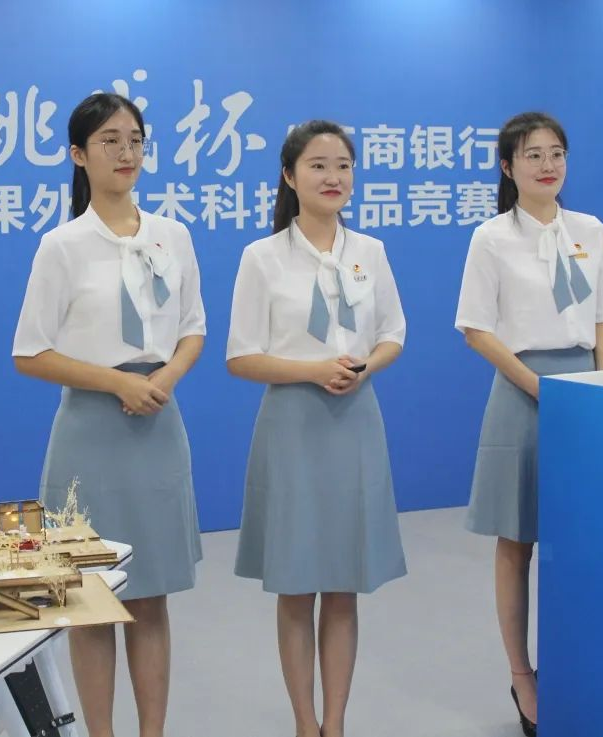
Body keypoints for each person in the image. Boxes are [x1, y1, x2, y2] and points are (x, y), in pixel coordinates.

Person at [12, 92, 206, 737]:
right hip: (90, 436)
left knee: (150, 598)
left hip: (157, 425)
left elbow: (193, 329)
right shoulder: (62, 246)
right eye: (109, 142)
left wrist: (163, 378)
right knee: (92, 602)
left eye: (135, 141)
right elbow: (30, 352)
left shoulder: (172, 235)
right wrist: (116, 382)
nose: (126, 153)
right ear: (78, 155)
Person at [226, 120, 407, 737]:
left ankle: (336, 723)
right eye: (318, 166)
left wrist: (364, 369)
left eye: (343, 166)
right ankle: (305, 723)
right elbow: (241, 356)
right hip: (293, 427)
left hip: (355, 421)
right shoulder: (262, 257)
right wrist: (312, 370)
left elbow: (393, 333)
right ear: (289, 175)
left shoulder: (370, 252)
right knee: (298, 585)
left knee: (344, 583)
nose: (333, 177)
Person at [455, 111, 603, 737]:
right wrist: (541, 388)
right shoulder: (491, 237)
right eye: (532, 155)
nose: (548, 165)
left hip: (586, 393)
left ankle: (576, 662)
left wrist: (599, 385)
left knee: (579, 536)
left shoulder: (591, 229)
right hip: (522, 391)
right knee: (517, 541)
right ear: (508, 167)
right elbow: (477, 329)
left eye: (557, 153)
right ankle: (522, 673)